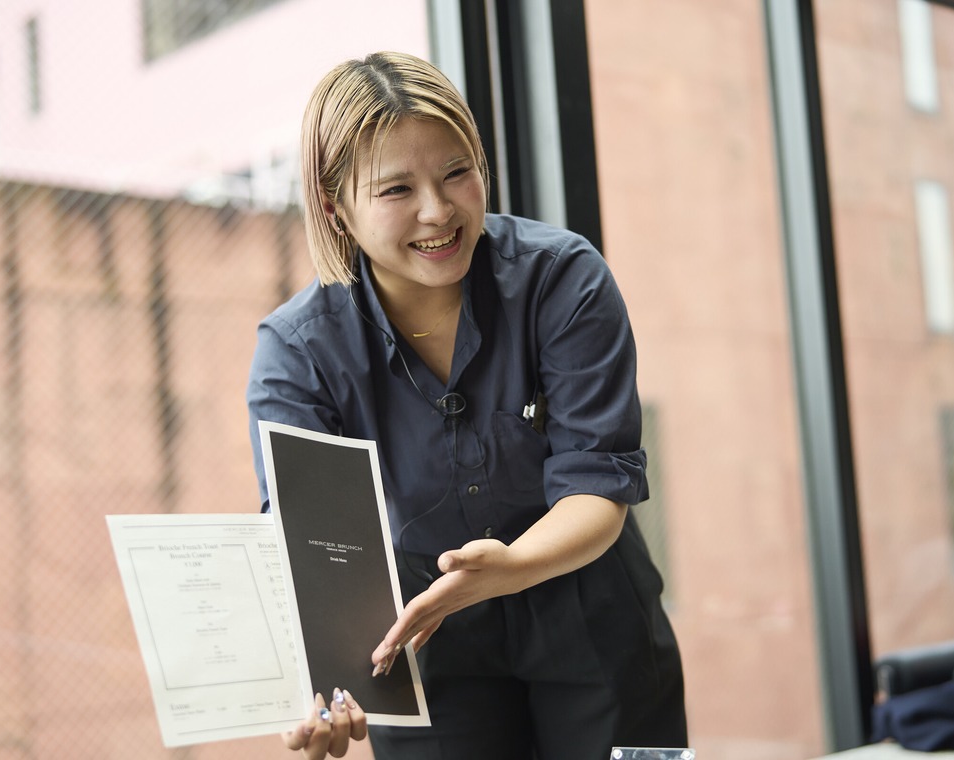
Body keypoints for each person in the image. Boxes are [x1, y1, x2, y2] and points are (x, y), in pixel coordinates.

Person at [248, 50, 687, 760]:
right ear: (335, 206)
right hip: (426, 644)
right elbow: (310, 549)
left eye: (458, 171)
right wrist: (319, 683)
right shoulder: (298, 351)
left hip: (591, 613)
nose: (438, 209)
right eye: (396, 190)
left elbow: (598, 485)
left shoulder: (562, 279)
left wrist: (512, 565)